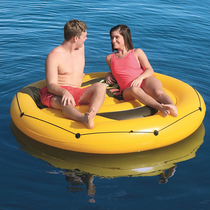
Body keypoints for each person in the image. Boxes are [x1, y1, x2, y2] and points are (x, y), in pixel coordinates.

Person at [39, 20, 106, 129]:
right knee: (66, 102)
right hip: (57, 93)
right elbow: (51, 85)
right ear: (75, 38)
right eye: (84, 36)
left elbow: (75, 68)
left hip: (76, 91)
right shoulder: (54, 56)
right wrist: (64, 92)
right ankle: (83, 119)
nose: (86, 38)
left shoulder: (81, 48)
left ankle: (91, 114)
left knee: (101, 86)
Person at [105, 25, 178, 117]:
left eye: (116, 37)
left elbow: (150, 70)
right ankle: (161, 107)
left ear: (125, 37)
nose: (113, 41)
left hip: (143, 80)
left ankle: (172, 106)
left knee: (158, 92)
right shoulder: (109, 58)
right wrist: (109, 74)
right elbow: (117, 73)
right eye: (112, 37)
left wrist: (140, 78)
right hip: (128, 90)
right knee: (135, 90)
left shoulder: (137, 52)